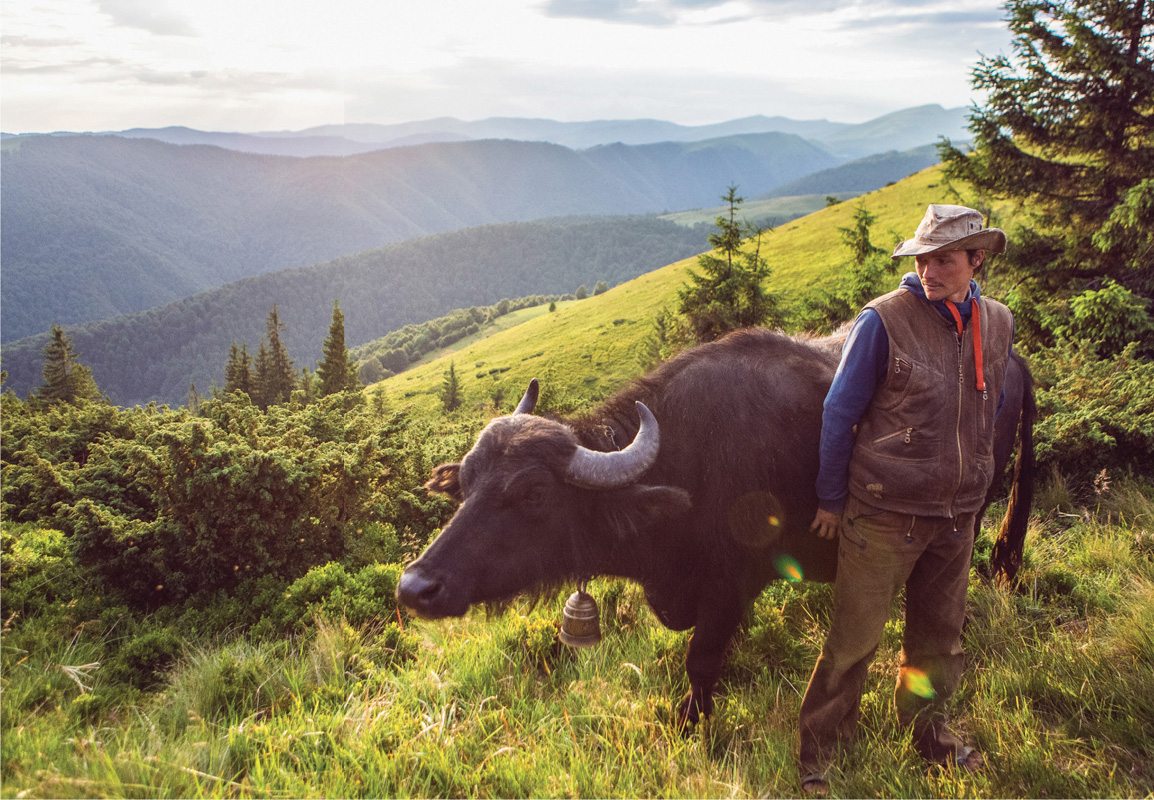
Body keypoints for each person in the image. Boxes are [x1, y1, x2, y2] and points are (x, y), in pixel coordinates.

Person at [798, 204, 1014, 795]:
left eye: (944, 259)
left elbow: (989, 405)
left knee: (939, 636)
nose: (929, 270)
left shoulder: (997, 321)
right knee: (853, 641)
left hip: (956, 514)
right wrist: (830, 497)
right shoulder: (884, 321)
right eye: (922, 258)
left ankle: (930, 735)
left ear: (977, 260)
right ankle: (818, 752)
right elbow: (839, 411)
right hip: (884, 510)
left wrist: (975, 479)